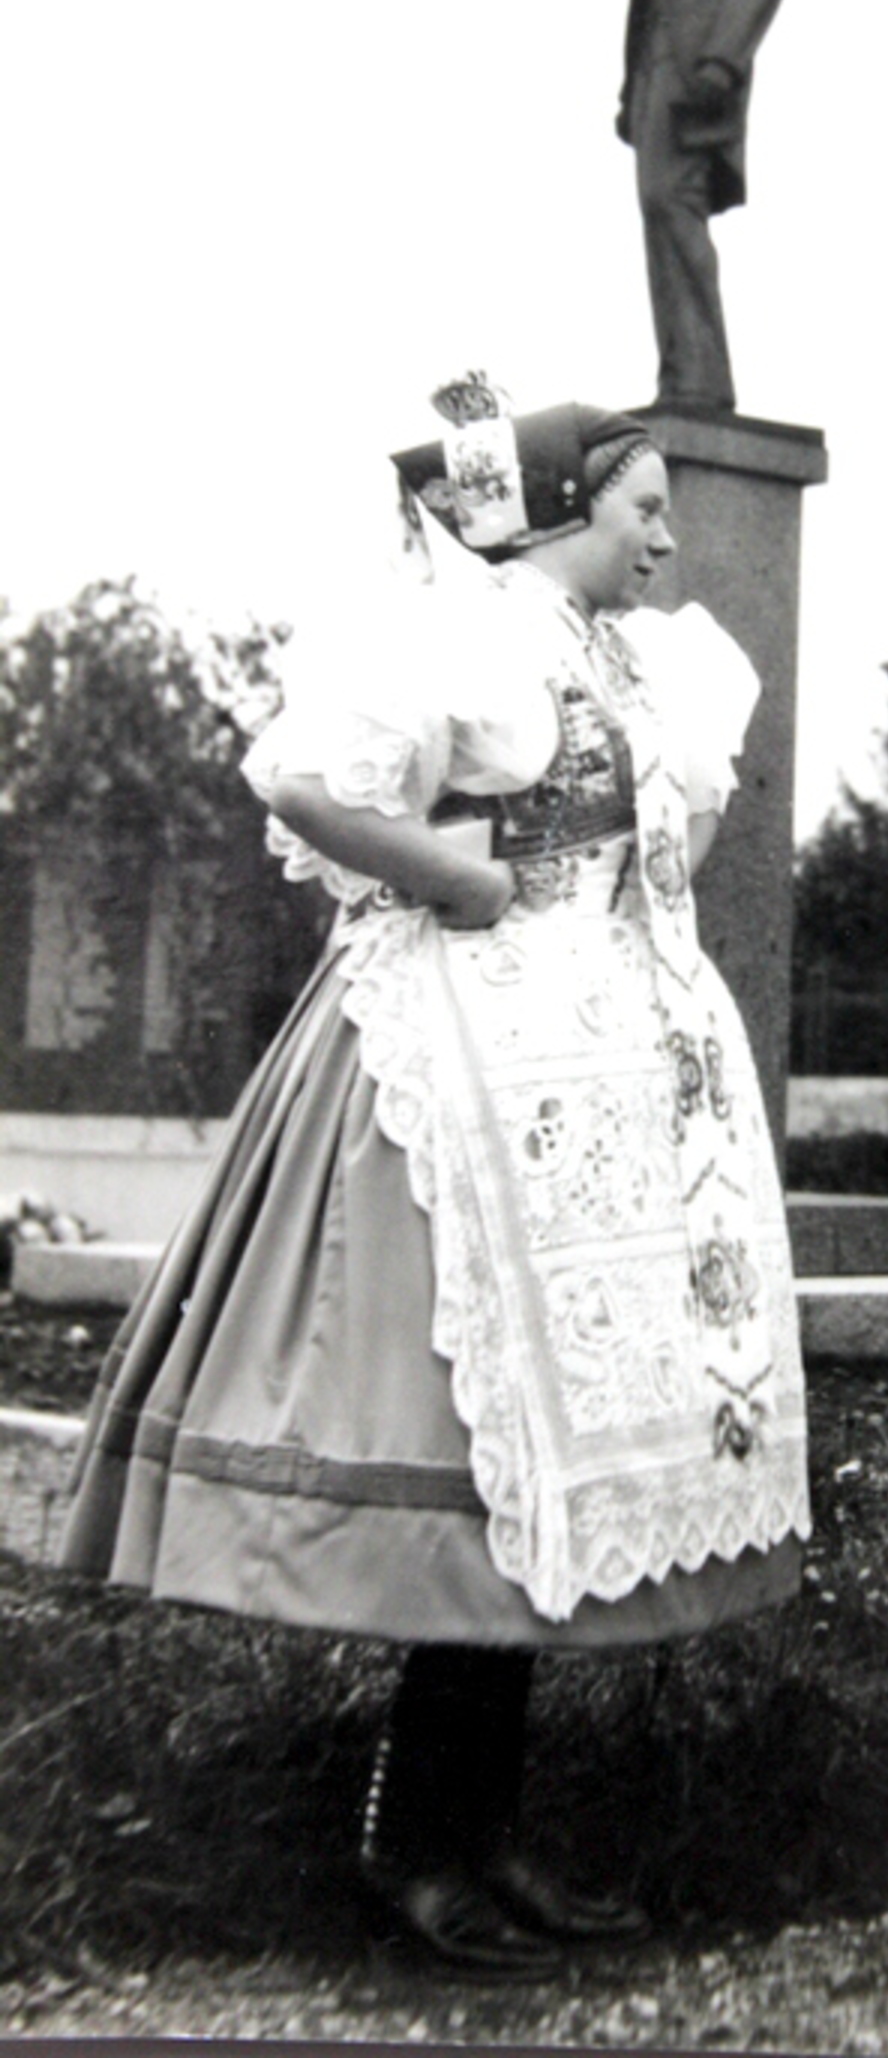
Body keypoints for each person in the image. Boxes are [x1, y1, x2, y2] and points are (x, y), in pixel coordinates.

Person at [63, 378, 811, 1977]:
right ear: (566, 514)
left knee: (549, 1466)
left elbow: (663, 844)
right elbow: (302, 783)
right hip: (447, 1085)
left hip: (588, 1085)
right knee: (474, 1454)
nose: (668, 538)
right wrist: (456, 881)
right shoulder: (464, 636)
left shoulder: (642, 660)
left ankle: (478, 1836)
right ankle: (410, 1846)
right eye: (646, 510)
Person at [617, 0, 803, 414]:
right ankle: (680, 375)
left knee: (674, 206)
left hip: (700, 73)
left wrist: (725, 57)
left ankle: (700, 378)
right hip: (656, 77)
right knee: (658, 211)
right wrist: (631, 88)